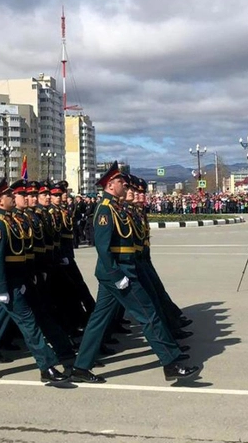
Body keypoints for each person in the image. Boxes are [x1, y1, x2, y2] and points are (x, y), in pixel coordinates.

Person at [70, 162, 199, 383]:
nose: (125, 185)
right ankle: (171, 362)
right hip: (119, 273)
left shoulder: (117, 208)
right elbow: (103, 248)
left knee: (98, 321)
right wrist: (117, 276)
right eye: (121, 181)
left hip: (123, 270)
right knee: (148, 315)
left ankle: (80, 368)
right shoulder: (104, 210)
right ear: (110, 185)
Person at [0, 179, 69, 384]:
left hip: (15, 279)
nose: (12, 198)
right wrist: (2, 287)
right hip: (5, 283)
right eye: (8, 196)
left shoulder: (11, 220)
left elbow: (21, 254)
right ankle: (46, 366)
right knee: (28, 323)